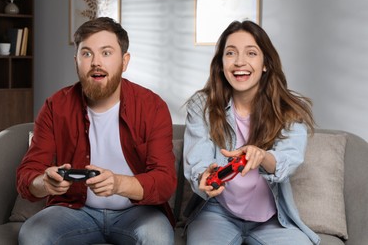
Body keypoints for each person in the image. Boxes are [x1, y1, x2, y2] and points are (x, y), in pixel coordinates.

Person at [17, 17, 177, 245]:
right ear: (76, 61)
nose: (95, 62)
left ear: (124, 61)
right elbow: (27, 174)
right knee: (33, 234)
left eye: (106, 53)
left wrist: (119, 184)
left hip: (137, 212)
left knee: (158, 239)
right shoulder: (55, 106)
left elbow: (165, 182)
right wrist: (45, 183)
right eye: (87, 53)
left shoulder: (152, 106)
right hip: (75, 210)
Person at [183, 20, 320, 245]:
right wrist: (203, 176)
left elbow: (290, 157)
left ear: (265, 63)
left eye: (251, 53)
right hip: (217, 213)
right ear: (221, 63)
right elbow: (197, 161)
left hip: (272, 220)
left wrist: (262, 156)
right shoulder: (202, 105)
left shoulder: (288, 109)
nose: (239, 62)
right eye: (230, 53)